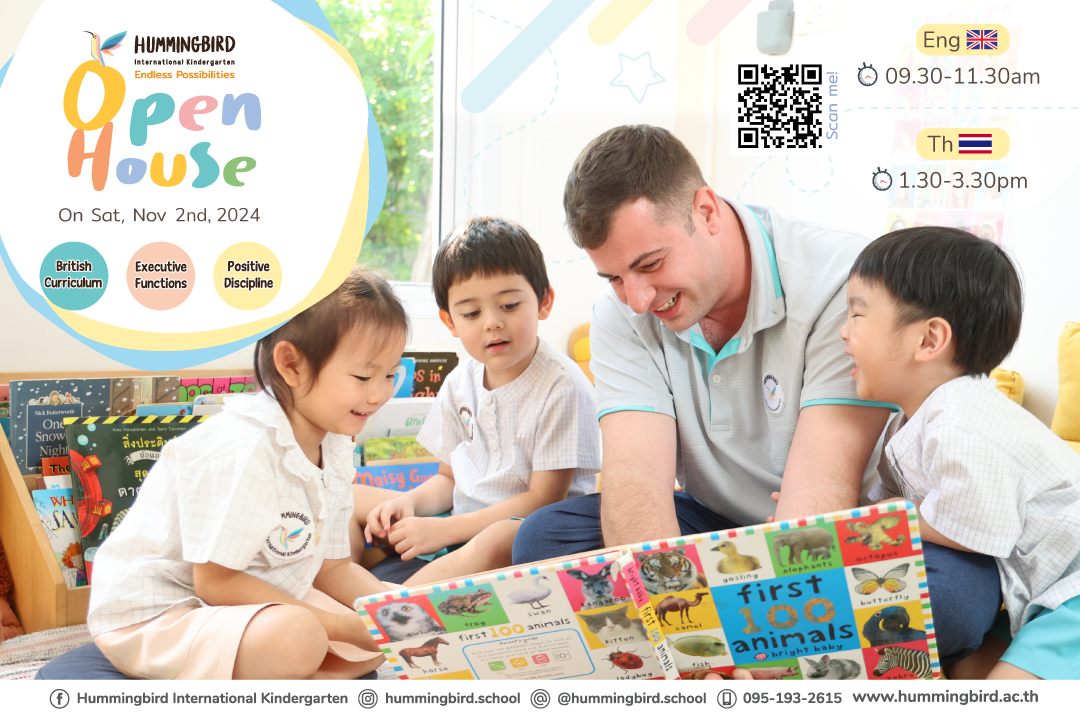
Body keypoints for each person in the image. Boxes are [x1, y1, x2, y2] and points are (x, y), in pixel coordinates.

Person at [513, 125, 1002, 665]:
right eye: (613, 278)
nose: (638, 298)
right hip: (713, 524)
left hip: (840, 529)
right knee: (544, 540)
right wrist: (681, 635)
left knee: (951, 599)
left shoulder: (847, 282)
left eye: (650, 265)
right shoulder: (621, 315)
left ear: (706, 211)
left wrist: (749, 654)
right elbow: (635, 480)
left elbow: (822, 491)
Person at [86, 266, 405, 680]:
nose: (379, 393)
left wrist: (404, 609)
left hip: (243, 597)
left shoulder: (335, 442)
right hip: (163, 611)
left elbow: (333, 569)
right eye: (364, 376)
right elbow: (215, 583)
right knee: (304, 636)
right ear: (291, 365)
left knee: (376, 641)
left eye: (390, 375)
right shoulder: (245, 445)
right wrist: (342, 625)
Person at [842, 227, 1080, 680]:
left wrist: (869, 521)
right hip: (1025, 591)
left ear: (929, 340)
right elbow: (884, 504)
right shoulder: (912, 421)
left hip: (1071, 589)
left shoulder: (962, 419)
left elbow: (970, 529)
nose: (843, 332)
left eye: (858, 315)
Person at [354, 217, 601, 587]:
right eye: (471, 313)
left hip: (519, 535)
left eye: (509, 305)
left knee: (502, 539)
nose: (492, 323)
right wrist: (410, 504)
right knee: (355, 497)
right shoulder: (459, 382)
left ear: (544, 301)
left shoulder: (562, 387)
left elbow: (542, 501)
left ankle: (395, 601)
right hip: (458, 525)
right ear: (450, 321)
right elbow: (447, 479)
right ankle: (360, 582)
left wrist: (445, 531)